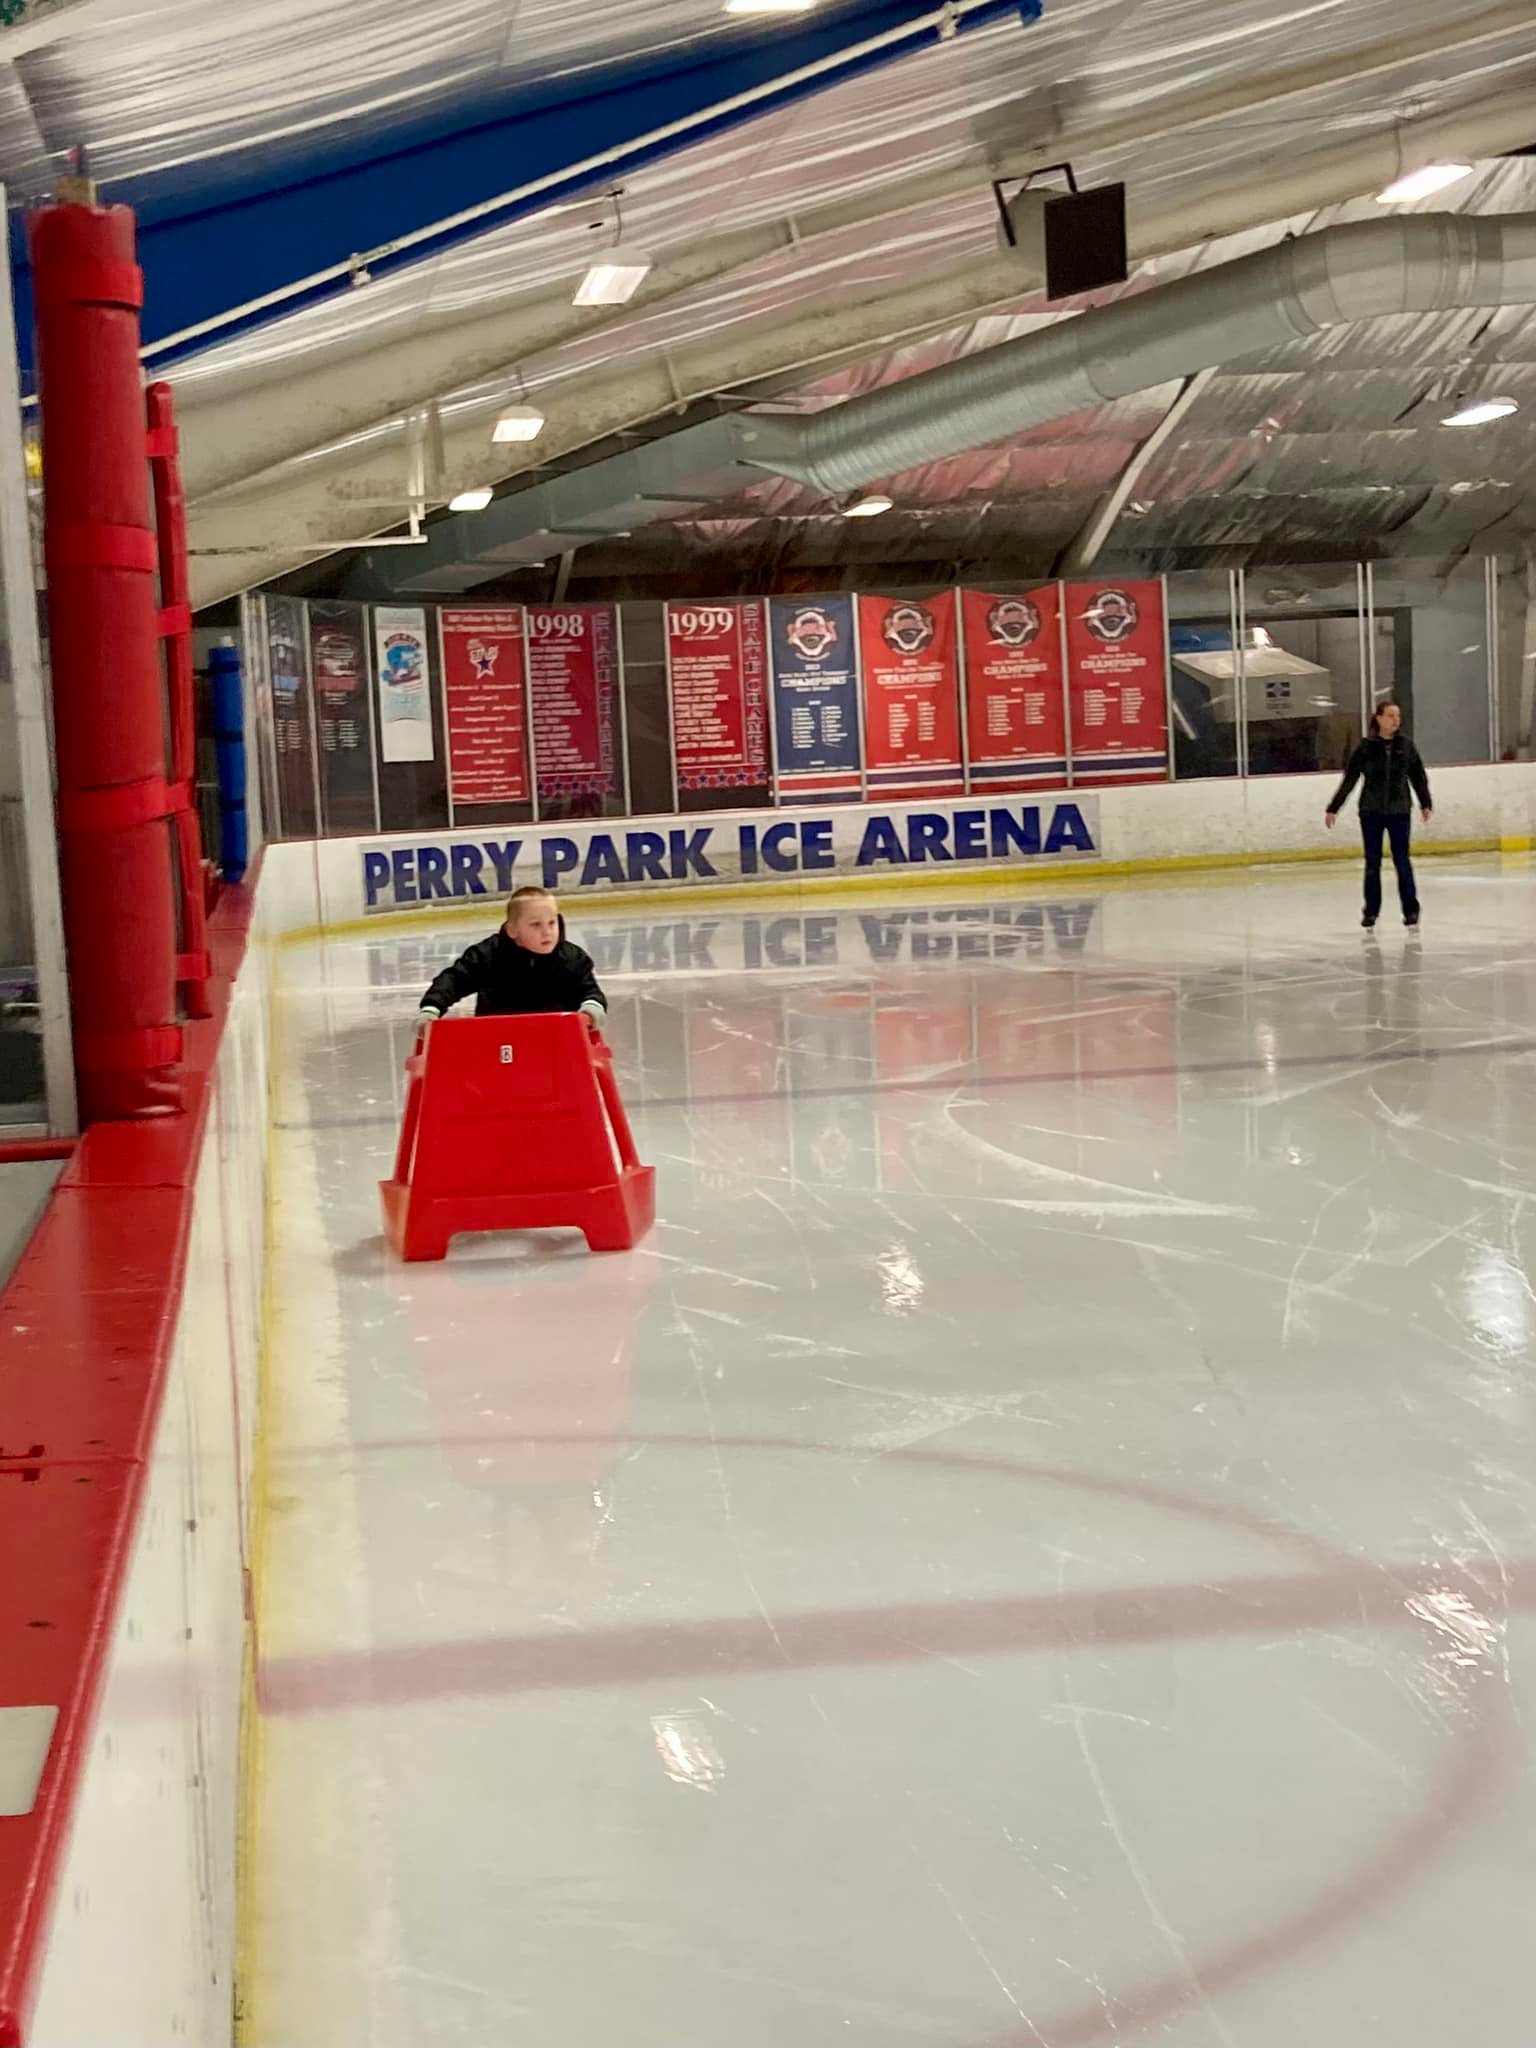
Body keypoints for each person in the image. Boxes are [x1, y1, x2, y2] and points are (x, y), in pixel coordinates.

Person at [419, 887, 608, 1030]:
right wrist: (432, 1008)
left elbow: (590, 990)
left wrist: (591, 1009)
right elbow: (454, 979)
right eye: (535, 924)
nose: (547, 932)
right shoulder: (487, 955)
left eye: (552, 923)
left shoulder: (572, 959)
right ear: (512, 930)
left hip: (557, 1043)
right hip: (496, 1043)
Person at [1325, 703, 1433, 930]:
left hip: (1400, 812)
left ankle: (1411, 910)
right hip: (1371, 812)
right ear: (1379, 719)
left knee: (1402, 861)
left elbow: (1418, 777)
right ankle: (1371, 911)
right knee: (1372, 863)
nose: (1396, 720)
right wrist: (1334, 807)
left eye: (1398, 716)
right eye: (1391, 716)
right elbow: (1350, 779)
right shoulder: (1366, 747)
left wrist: (1426, 803)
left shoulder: (1406, 746)